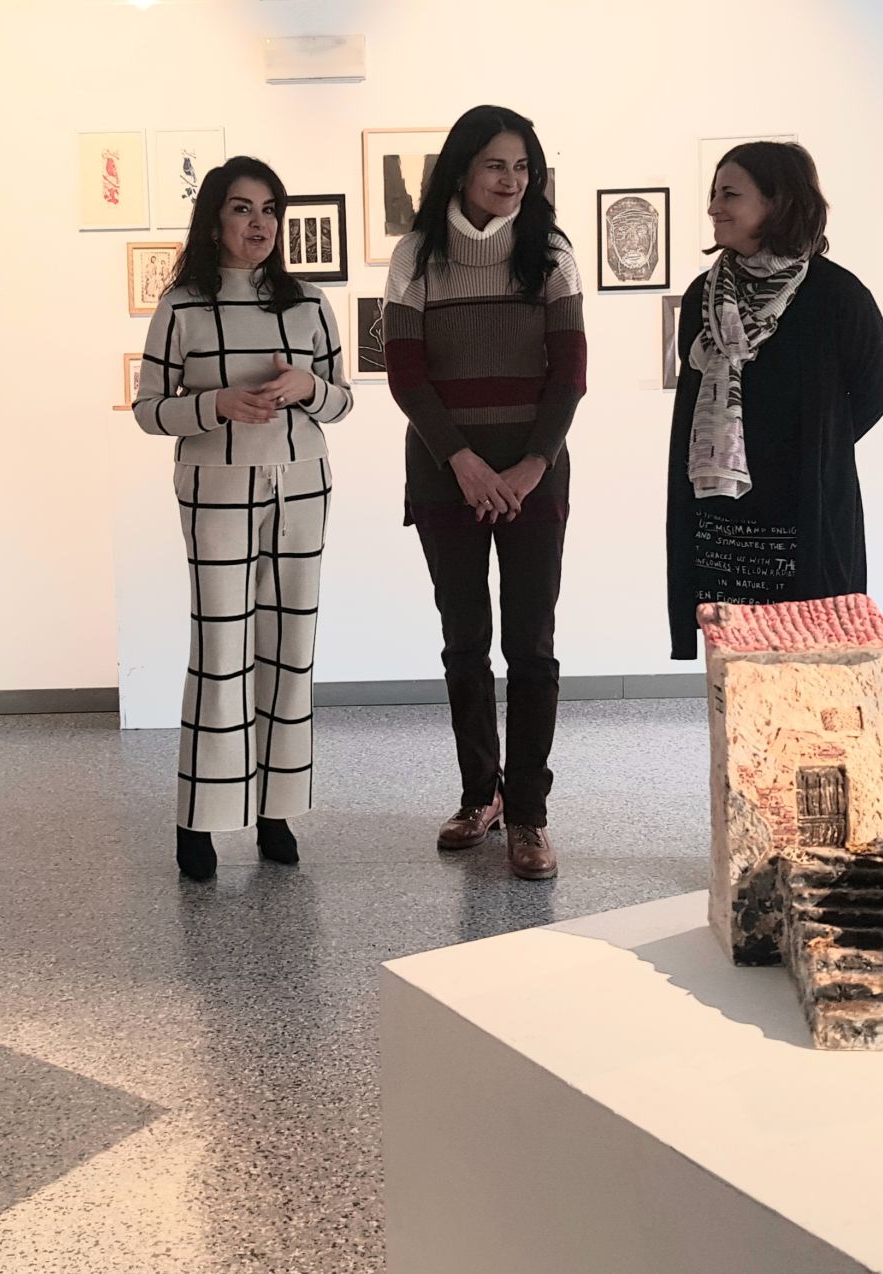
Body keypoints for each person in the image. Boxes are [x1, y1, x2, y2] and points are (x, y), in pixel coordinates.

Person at [133, 157, 355, 881]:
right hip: (214, 483)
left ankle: (277, 809)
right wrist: (217, 405)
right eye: (240, 208)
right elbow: (148, 410)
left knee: (292, 648)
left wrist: (311, 386)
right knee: (221, 647)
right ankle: (198, 818)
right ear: (214, 220)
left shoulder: (311, 303)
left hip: (303, 485)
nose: (258, 224)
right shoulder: (182, 307)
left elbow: (343, 402)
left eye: (269, 210)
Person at [383, 105, 587, 882]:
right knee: (464, 642)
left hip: (535, 474)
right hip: (446, 476)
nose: (511, 180)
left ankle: (529, 814)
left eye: (523, 167)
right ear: (462, 169)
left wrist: (531, 467)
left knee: (531, 646)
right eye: (496, 165)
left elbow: (568, 374)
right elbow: (408, 375)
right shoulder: (416, 255)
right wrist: (464, 462)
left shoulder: (552, 253)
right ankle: (481, 797)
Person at [664, 141, 883, 661]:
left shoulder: (837, 295)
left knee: (812, 654)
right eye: (714, 192)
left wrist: (815, 445)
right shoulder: (703, 295)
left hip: (802, 504)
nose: (713, 207)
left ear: (778, 203)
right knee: (735, 665)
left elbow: (877, 392)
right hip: (721, 508)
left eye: (730, 194)